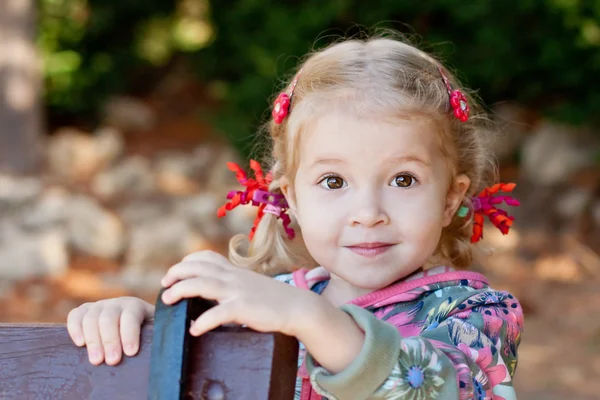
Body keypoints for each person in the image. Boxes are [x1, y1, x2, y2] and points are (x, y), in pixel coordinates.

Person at [67, 34, 524, 400]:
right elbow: (190, 369)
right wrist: (143, 326)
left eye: (403, 180)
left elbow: (442, 389)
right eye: (333, 181)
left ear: (450, 198)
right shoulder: (265, 305)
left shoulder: (476, 317)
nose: (368, 214)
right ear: (293, 199)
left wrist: (310, 318)